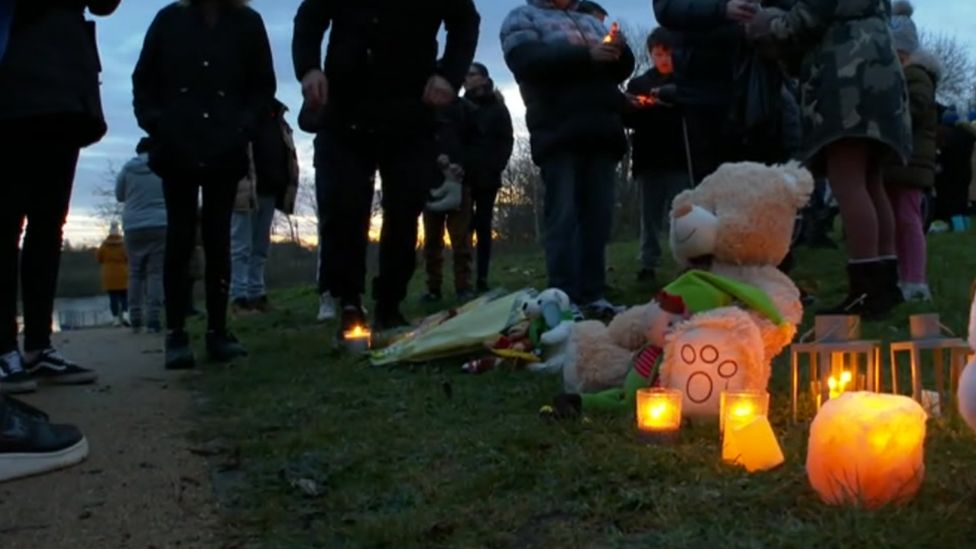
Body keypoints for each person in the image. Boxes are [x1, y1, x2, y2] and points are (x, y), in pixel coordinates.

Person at [292, 0, 480, 338]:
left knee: (405, 209)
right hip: (346, 110)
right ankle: (349, 300)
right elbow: (310, 17)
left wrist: (449, 75)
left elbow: (465, 22)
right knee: (345, 208)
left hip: (410, 110)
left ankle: (390, 303)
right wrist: (308, 69)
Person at [0, 0, 118, 482]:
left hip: (66, 92)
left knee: (50, 226)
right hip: (12, 86)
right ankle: (4, 347)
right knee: (8, 224)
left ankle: (37, 346)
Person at [133, 0, 276, 369]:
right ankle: (176, 333)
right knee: (179, 238)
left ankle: (218, 330)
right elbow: (143, 80)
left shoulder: (247, 23)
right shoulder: (169, 20)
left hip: (224, 146)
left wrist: (243, 127)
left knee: (219, 237)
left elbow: (263, 87)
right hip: (177, 147)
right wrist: (159, 125)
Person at [748, 0, 912, 319]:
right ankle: (886, 284)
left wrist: (769, 23)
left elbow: (810, 14)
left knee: (847, 179)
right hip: (878, 68)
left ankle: (866, 291)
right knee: (871, 180)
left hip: (846, 76)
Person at [501, 0, 635, 319]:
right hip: (557, 127)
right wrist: (586, 56)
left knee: (598, 217)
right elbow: (526, 61)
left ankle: (594, 294)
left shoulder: (589, 20)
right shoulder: (522, 17)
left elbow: (620, 69)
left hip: (601, 128)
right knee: (563, 215)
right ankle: (562, 296)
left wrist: (621, 51)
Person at [624, 27, 689, 284]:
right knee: (650, 216)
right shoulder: (639, 83)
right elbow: (627, 119)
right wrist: (636, 108)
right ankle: (648, 262)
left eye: (669, 54)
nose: (664, 59)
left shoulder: (685, 82)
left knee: (682, 213)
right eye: (659, 54)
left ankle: (687, 259)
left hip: (680, 158)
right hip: (649, 158)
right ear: (651, 54)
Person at [884, 3, 940, 302]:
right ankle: (899, 274)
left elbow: (916, 109)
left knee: (908, 220)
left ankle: (915, 279)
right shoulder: (906, 75)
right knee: (896, 221)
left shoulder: (916, 76)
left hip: (911, 162)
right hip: (899, 161)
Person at [231, 100, 300, 314]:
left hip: (270, 191)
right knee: (241, 247)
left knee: (260, 247)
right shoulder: (242, 117)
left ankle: (256, 294)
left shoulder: (280, 122)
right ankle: (238, 297)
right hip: (245, 191)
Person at [462, 63, 514, 293]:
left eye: (471, 75)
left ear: (484, 79)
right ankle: (462, 279)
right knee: (463, 228)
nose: (466, 79)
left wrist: (497, 165)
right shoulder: (461, 106)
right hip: (463, 176)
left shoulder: (498, 108)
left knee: (483, 226)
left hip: (488, 176)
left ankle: (481, 278)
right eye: (465, 76)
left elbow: (507, 140)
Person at [422, 100, 477, 304]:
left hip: (460, 183)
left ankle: (464, 286)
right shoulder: (423, 109)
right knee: (431, 241)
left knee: (461, 238)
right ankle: (433, 288)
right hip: (431, 184)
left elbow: (475, 143)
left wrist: (462, 166)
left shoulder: (465, 109)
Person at [117, 137, 168, 333]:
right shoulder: (162, 167)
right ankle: (154, 319)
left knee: (135, 272)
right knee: (156, 273)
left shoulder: (127, 169)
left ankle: (135, 317)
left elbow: (120, 195)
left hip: (133, 225)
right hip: (160, 223)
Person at [96, 222, 130, 327]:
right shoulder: (124, 245)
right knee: (125, 297)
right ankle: (125, 315)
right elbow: (128, 257)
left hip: (109, 274)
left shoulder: (104, 245)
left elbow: (98, 258)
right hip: (123, 273)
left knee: (113, 298)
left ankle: (115, 319)